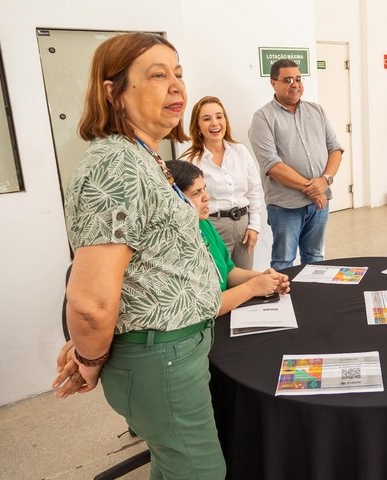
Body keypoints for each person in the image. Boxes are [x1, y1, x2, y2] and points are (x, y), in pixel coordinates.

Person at [51, 33, 226, 479]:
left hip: (174, 349)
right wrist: (90, 360)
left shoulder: (144, 155)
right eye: (157, 75)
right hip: (160, 358)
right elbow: (90, 302)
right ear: (114, 93)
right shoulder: (116, 164)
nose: (177, 88)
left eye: (179, 74)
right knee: (199, 472)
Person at [249, 59, 344, 270]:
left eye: (299, 79)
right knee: (284, 261)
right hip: (286, 206)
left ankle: (315, 300)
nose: (295, 84)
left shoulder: (316, 111)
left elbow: (335, 149)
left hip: (320, 204)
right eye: (288, 79)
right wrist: (314, 190)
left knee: (315, 256)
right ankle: (286, 302)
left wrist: (325, 180)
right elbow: (272, 165)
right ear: (273, 83)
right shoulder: (263, 118)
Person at [164, 160, 289, 314]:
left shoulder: (204, 225)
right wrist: (251, 287)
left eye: (204, 189)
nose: (206, 197)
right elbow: (204, 307)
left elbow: (228, 273)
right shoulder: (173, 243)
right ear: (173, 199)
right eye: (196, 193)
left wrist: (264, 278)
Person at [181, 96, 264, 270]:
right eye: (206, 118)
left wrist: (254, 226)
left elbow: (254, 191)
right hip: (212, 227)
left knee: (244, 281)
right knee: (218, 281)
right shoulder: (190, 160)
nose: (215, 123)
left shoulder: (240, 151)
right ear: (197, 126)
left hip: (243, 224)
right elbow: (184, 201)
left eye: (219, 117)